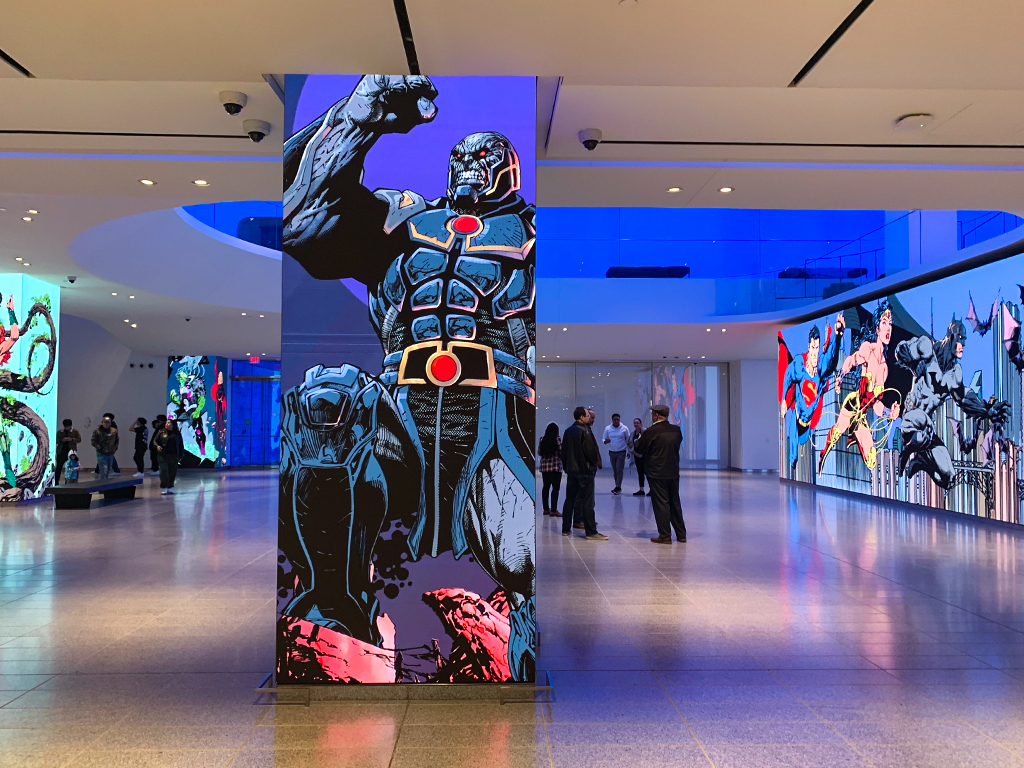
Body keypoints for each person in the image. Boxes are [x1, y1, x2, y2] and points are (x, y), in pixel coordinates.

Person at [636, 404, 687, 544]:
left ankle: (665, 535)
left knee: (661, 503)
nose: (652, 416)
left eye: (653, 413)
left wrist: (639, 439)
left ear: (657, 415)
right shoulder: (676, 430)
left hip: (656, 472)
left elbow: (639, 449)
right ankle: (681, 534)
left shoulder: (651, 431)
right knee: (674, 502)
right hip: (673, 471)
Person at [560, 407, 607, 540]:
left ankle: (565, 529)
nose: (589, 418)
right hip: (585, 471)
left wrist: (567, 466)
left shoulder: (568, 431)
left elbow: (564, 452)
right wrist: (593, 465)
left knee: (570, 499)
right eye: (587, 415)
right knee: (587, 501)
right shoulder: (585, 431)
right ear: (581, 417)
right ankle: (591, 531)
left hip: (572, 471)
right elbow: (591, 452)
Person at [538, 422, 563, 517]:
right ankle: (553, 509)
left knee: (546, 487)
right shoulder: (557, 439)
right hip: (555, 467)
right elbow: (561, 450)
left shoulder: (542, 439)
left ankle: (545, 509)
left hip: (544, 467)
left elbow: (539, 452)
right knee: (555, 488)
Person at [602, 413, 631, 495]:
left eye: (617, 419)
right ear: (612, 420)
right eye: (615, 420)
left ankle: (618, 486)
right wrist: (605, 441)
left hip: (621, 451)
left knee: (619, 469)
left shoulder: (624, 428)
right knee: (615, 470)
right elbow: (603, 438)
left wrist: (629, 452)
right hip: (612, 452)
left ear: (619, 419)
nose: (616, 421)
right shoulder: (608, 428)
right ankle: (617, 485)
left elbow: (628, 440)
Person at [154, 418, 181, 495]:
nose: (166, 424)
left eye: (169, 423)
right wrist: (157, 446)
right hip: (163, 455)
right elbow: (155, 441)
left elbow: (181, 445)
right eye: (166, 423)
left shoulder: (177, 434)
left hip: (174, 455)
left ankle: (170, 487)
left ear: (173, 425)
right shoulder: (161, 432)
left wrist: (180, 456)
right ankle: (164, 487)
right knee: (164, 471)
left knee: (172, 471)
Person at [55, 419, 81, 484]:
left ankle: (69, 482)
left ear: (71, 426)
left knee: (72, 468)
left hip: (71, 453)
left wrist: (71, 439)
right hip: (61, 452)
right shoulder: (60, 432)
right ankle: (56, 481)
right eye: (65, 427)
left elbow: (79, 440)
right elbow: (56, 440)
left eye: (68, 427)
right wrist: (61, 440)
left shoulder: (75, 432)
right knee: (59, 467)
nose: (66, 428)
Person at [631, 417, 647, 496]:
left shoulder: (645, 432)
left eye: (637, 423)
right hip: (637, 455)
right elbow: (630, 442)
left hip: (644, 455)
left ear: (641, 424)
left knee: (647, 472)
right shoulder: (633, 433)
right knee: (640, 472)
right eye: (635, 423)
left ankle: (652, 489)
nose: (636, 424)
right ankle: (641, 489)